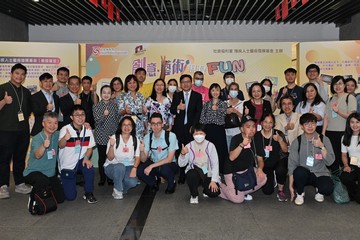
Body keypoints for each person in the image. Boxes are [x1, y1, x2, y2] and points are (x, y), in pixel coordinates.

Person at [0, 63, 32, 199]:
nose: (19, 76)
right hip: (6, 130)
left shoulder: (26, 92)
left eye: (22, 74)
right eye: (17, 73)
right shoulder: (3, 88)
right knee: (4, 159)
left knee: (20, 158)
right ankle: (3, 186)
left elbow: (28, 110)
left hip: (23, 130)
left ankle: (19, 184)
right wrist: (4, 101)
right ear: (11, 73)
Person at [288, 113, 335, 206]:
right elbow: (292, 164)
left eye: (313, 123)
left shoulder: (324, 139)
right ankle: (300, 193)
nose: (310, 126)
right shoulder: (297, 141)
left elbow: (330, 162)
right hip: (304, 173)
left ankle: (319, 191)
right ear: (302, 126)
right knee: (299, 172)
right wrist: (290, 186)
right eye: (306, 124)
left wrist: (322, 147)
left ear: (316, 124)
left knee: (327, 188)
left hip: (320, 172)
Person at [219, 115, 267, 203]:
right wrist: (242, 144)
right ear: (242, 129)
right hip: (232, 171)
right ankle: (220, 186)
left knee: (263, 177)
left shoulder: (257, 139)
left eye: (253, 126)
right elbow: (231, 157)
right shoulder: (236, 138)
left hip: (247, 170)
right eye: (248, 127)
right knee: (238, 200)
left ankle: (241, 191)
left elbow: (260, 159)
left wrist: (260, 169)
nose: (252, 129)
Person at [24, 112, 65, 206]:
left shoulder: (57, 135)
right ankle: (33, 197)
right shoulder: (37, 138)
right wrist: (43, 146)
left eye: (55, 123)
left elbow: (70, 128)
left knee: (60, 199)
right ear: (43, 123)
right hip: (33, 172)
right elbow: (38, 155)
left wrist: (85, 125)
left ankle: (45, 189)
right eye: (49, 122)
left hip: (50, 174)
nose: (52, 126)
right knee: (42, 181)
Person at [58, 105, 97, 203]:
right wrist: (65, 138)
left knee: (89, 167)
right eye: (77, 115)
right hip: (67, 165)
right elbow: (60, 145)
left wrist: (87, 158)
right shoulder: (65, 129)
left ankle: (88, 192)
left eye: (82, 114)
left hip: (80, 161)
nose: (80, 117)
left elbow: (90, 147)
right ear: (71, 117)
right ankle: (63, 179)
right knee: (70, 197)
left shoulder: (87, 129)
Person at [170, 74, 203, 184]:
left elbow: (199, 112)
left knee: (192, 149)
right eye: (183, 82)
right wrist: (178, 108)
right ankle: (182, 173)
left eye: (188, 81)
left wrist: (193, 126)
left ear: (191, 82)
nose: (186, 84)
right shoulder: (177, 95)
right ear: (181, 84)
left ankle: (193, 171)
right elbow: (172, 110)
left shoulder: (197, 96)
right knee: (180, 150)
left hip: (191, 127)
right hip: (179, 128)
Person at [178, 124, 220, 204]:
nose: (199, 136)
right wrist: (182, 154)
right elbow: (181, 164)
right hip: (195, 172)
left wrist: (214, 180)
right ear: (192, 135)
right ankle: (194, 195)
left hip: (208, 173)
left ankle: (205, 189)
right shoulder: (188, 146)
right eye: (196, 134)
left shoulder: (210, 146)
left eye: (201, 133)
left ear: (205, 134)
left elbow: (215, 164)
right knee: (191, 174)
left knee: (214, 193)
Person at [137, 113, 179, 193]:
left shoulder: (171, 136)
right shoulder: (147, 137)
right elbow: (143, 159)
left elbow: (169, 159)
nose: (156, 126)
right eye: (153, 124)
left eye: (158, 123)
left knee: (164, 169)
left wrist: (151, 166)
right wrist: (142, 151)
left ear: (162, 124)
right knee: (140, 171)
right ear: (150, 125)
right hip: (155, 162)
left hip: (168, 164)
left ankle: (172, 183)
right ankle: (154, 182)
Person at [322, 75, 357, 171]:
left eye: (340, 83)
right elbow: (326, 117)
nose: (337, 86)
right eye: (335, 84)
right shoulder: (330, 99)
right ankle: (335, 181)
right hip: (330, 132)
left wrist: (338, 112)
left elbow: (351, 117)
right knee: (333, 158)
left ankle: (347, 180)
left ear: (344, 85)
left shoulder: (349, 98)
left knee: (345, 158)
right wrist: (323, 133)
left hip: (344, 132)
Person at [254, 113, 288, 201]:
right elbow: (259, 157)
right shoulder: (257, 136)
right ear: (261, 123)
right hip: (265, 163)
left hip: (278, 161)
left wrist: (280, 140)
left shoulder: (278, 133)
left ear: (273, 124)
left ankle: (280, 190)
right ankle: (272, 177)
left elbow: (285, 150)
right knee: (267, 191)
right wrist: (260, 169)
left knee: (281, 169)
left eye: (270, 122)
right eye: (265, 122)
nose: (267, 125)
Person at [105, 117, 140, 200]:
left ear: (132, 127)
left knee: (133, 182)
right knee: (120, 166)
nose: (126, 127)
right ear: (120, 126)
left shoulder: (135, 139)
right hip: (112, 166)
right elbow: (110, 158)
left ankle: (118, 188)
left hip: (128, 166)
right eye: (124, 125)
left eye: (129, 125)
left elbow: (137, 157)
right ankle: (118, 191)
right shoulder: (114, 138)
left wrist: (135, 168)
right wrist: (112, 146)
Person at [93, 85, 121, 186]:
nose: (106, 95)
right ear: (101, 94)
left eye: (108, 93)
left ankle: (110, 177)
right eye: (104, 92)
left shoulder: (114, 105)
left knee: (112, 158)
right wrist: (104, 115)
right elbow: (97, 122)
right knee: (102, 158)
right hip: (101, 135)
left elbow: (118, 120)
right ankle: (102, 178)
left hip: (112, 136)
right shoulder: (96, 106)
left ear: (111, 94)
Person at [200, 83, 228, 174]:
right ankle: (208, 170)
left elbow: (223, 117)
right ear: (210, 92)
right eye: (213, 90)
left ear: (220, 92)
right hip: (208, 130)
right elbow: (202, 119)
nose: (215, 92)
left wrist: (217, 110)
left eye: (217, 90)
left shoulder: (223, 104)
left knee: (220, 150)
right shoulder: (206, 104)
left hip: (219, 130)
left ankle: (220, 171)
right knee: (208, 150)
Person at [119, 74, 147, 139]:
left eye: (134, 82)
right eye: (130, 83)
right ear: (126, 84)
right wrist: (125, 111)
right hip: (127, 126)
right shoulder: (122, 96)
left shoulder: (141, 96)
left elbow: (144, 114)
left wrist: (146, 127)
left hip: (140, 125)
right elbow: (120, 112)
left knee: (139, 146)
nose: (132, 85)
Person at [340, 112, 360, 203]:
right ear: (349, 124)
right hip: (353, 165)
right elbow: (344, 155)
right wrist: (346, 165)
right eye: (352, 122)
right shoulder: (345, 137)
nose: (355, 125)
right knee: (345, 177)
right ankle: (355, 192)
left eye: (357, 122)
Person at [225, 82, 243, 150]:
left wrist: (235, 111)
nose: (233, 91)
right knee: (229, 152)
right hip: (227, 133)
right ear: (228, 91)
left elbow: (244, 118)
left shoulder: (242, 103)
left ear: (238, 91)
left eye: (235, 89)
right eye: (231, 89)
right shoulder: (224, 103)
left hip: (238, 132)